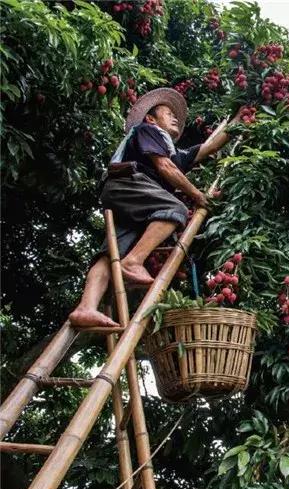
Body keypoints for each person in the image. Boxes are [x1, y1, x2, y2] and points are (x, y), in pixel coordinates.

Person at [68, 88, 245, 328]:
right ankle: (133, 262)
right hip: (127, 184)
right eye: (168, 112)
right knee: (176, 209)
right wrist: (196, 195)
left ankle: (85, 307)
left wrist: (238, 119)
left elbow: (209, 146)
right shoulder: (147, 130)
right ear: (151, 118)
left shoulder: (175, 153)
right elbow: (164, 168)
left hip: (132, 202)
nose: (175, 118)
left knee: (111, 253)